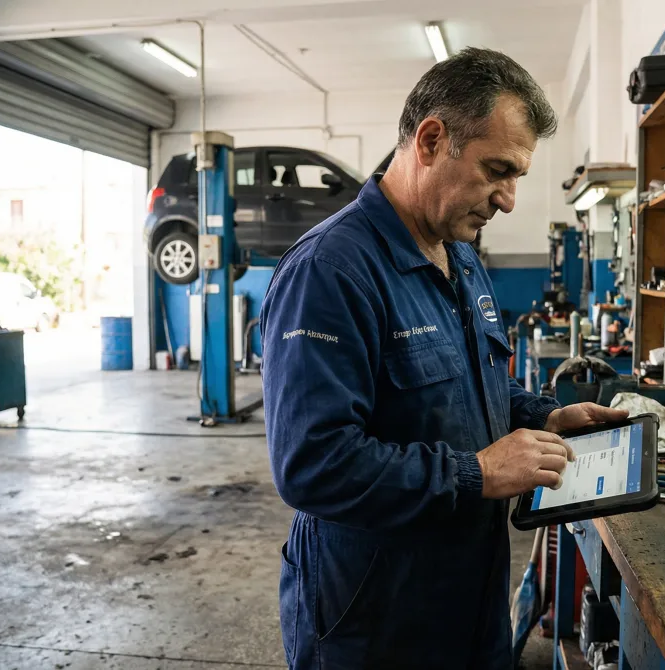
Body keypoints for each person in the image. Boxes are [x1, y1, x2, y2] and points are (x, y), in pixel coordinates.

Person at [261, 47, 628, 669]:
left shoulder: (458, 255)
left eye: (517, 177)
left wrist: (540, 419)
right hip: (375, 623)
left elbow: (466, 388)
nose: (508, 199)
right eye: (496, 170)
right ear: (431, 139)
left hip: (467, 604)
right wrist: (477, 474)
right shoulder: (331, 272)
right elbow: (312, 464)